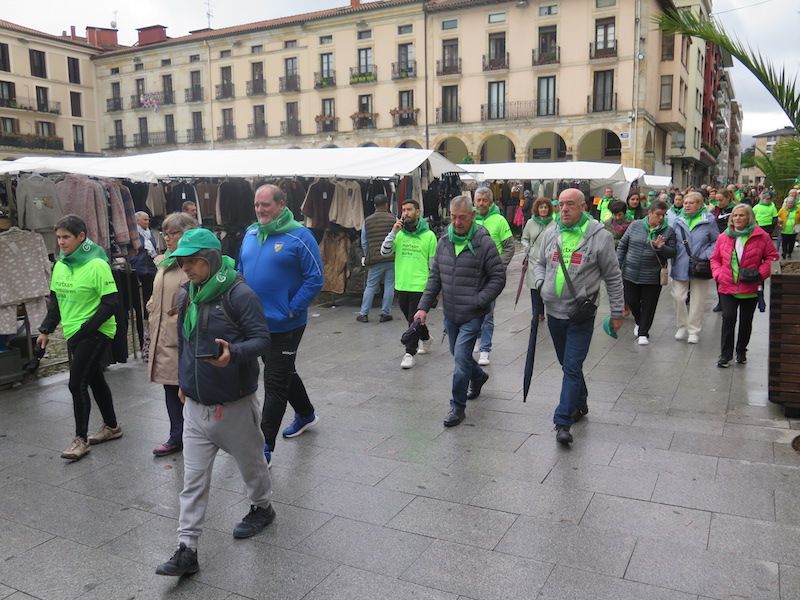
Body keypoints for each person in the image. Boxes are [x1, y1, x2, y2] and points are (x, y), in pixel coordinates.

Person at [155, 228, 274, 577]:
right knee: (192, 480)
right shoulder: (186, 294)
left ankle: (262, 507)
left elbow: (262, 340)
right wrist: (183, 382)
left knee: (252, 466)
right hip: (195, 405)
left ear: (209, 258)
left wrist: (232, 354)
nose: (186, 268)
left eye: (193, 261)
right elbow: (185, 342)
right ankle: (186, 549)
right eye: (182, 262)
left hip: (234, 404)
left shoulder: (239, 294)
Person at [239, 184, 323, 466]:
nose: (260, 210)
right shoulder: (250, 233)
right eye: (256, 205)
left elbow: (315, 278)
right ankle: (306, 414)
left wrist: (292, 308)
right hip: (256, 322)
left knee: (274, 382)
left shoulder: (300, 236)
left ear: (281, 204)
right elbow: (241, 272)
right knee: (283, 372)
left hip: (287, 324)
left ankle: (265, 448)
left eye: (266, 205)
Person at [533, 189, 624, 445]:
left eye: (570, 204)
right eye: (560, 205)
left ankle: (563, 421)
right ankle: (580, 401)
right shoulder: (551, 232)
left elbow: (613, 277)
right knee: (567, 365)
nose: (564, 209)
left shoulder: (599, 237)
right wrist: (541, 284)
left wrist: (617, 311)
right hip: (553, 312)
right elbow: (539, 262)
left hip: (580, 315)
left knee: (572, 366)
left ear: (583, 206)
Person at [414, 195, 506, 427]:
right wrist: (423, 307)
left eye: (462, 218)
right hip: (451, 313)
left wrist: (480, 300)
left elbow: (498, 277)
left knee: (461, 359)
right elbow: (435, 277)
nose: (457, 222)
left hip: (473, 313)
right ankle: (479, 376)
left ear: (472, 216)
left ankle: (457, 407)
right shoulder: (444, 241)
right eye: (453, 218)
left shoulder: (484, 243)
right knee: (459, 355)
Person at [37, 215, 121, 461]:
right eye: (59, 237)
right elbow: (56, 302)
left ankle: (80, 440)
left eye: (66, 237)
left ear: (81, 237)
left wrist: (86, 328)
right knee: (93, 379)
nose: (61, 242)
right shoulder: (61, 264)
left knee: (76, 383)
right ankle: (112, 427)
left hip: (96, 331)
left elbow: (111, 304)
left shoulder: (97, 264)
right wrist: (45, 330)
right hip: (74, 331)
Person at [147, 213, 198, 457]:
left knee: (189, 388)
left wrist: (178, 319)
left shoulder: (192, 263)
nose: (168, 238)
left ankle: (196, 434)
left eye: (174, 233)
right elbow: (158, 294)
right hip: (163, 337)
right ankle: (177, 435)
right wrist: (151, 309)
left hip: (182, 337)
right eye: (166, 233)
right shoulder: (166, 261)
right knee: (169, 388)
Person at [710, 203, 778, 367]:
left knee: (746, 321)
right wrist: (718, 274)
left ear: (749, 218)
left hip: (750, 287)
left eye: (742, 215)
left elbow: (772, 257)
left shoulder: (761, 236)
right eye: (735, 215)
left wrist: (760, 274)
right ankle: (725, 355)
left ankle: (741, 350)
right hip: (727, 286)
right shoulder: (724, 236)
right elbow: (715, 258)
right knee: (729, 318)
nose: (738, 218)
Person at [380, 199, 438, 368]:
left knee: (412, 321)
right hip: (402, 284)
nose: (405, 213)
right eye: (404, 210)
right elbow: (384, 252)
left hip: (420, 285)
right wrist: (393, 232)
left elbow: (433, 264)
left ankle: (409, 352)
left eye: (409, 210)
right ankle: (426, 338)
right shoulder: (399, 234)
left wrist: (433, 289)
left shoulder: (429, 236)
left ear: (418, 212)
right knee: (414, 319)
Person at [616, 200, 676, 345]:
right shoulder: (635, 225)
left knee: (649, 305)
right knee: (632, 302)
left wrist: (661, 247)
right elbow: (623, 245)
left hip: (652, 276)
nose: (661, 218)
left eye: (664, 215)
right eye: (658, 214)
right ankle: (639, 321)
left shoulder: (668, 231)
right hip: (630, 272)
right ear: (649, 213)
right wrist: (618, 263)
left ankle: (643, 332)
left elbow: (672, 252)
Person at [473, 186, 514, 366]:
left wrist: (498, 267)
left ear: (490, 202)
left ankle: (485, 349)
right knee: (473, 311)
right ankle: (478, 338)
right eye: (478, 200)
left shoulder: (499, 220)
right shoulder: (470, 218)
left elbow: (509, 247)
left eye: (484, 200)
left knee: (488, 313)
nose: (481, 203)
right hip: (471, 275)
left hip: (490, 277)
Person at [670, 191, 719, 344]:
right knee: (678, 297)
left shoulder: (709, 220)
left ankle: (693, 330)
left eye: (691, 203)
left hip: (700, 264)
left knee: (698, 299)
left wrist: (705, 255)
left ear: (699, 204)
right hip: (680, 262)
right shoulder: (677, 220)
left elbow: (716, 241)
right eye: (685, 203)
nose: (687, 205)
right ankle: (682, 325)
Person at [356, 194, 396, 323]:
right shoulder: (393, 219)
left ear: (374, 205)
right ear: (386, 204)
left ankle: (364, 313)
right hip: (391, 257)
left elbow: (364, 241)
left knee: (371, 285)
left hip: (375, 258)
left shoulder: (367, 220)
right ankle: (385, 313)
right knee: (389, 285)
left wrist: (368, 255)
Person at [521, 197, 555, 321]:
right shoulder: (530, 222)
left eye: (546, 207)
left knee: (546, 287)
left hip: (549, 260)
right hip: (534, 260)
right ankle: (537, 313)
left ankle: (548, 311)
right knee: (534, 288)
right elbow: (524, 238)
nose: (543, 209)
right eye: (541, 207)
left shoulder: (554, 223)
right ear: (537, 208)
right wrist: (527, 248)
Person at [131, 211, 158, 312]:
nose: (148, 221)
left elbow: (154, 248)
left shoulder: (149, 233)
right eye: (145, 219)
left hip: (149, 268)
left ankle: (147, 316)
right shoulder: (133, 234)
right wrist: (134, 260)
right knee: (136, 296)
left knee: (149, 294)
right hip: (137, 266)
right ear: (137, 221)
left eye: (148, 219)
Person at [777, 194, 798, 259]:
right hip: (784, 229)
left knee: (792, 243)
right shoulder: (783, 209)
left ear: (794, 203)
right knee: (784, 242)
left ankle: (789, 252)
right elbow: (777, 216)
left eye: (791, 203)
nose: (790, 204)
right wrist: (779, 219)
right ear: (786, 203)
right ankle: (784, 252)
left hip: (794, 229)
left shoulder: (798, 210)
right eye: (788, 203)